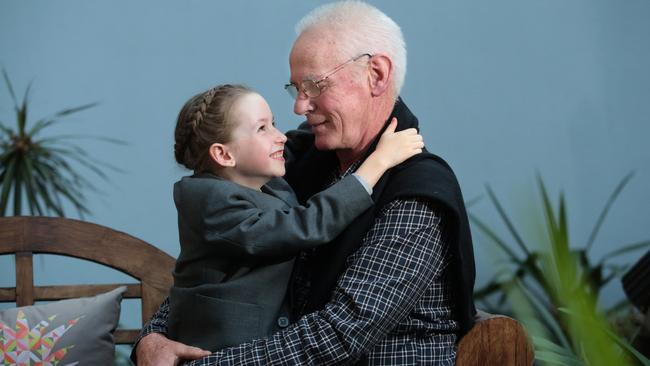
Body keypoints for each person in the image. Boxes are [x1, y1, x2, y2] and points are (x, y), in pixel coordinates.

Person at [134, 1, 476, 365]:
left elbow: (338, 334)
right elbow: (219, 271)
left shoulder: (415, 195)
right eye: (295, 88)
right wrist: (153, 338)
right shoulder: (301, 163)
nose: (299, 107)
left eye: (314, 85)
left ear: (376, 74)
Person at [167, 83, 422, 352]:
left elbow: (298, 141)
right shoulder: (213, 206)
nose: (280, 136)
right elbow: (304, 225)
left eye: (273, 123)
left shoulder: (258, 177)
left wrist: (347, 102)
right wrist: (377, 163)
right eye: (262, 128)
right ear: (223, 154)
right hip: (226, 351)